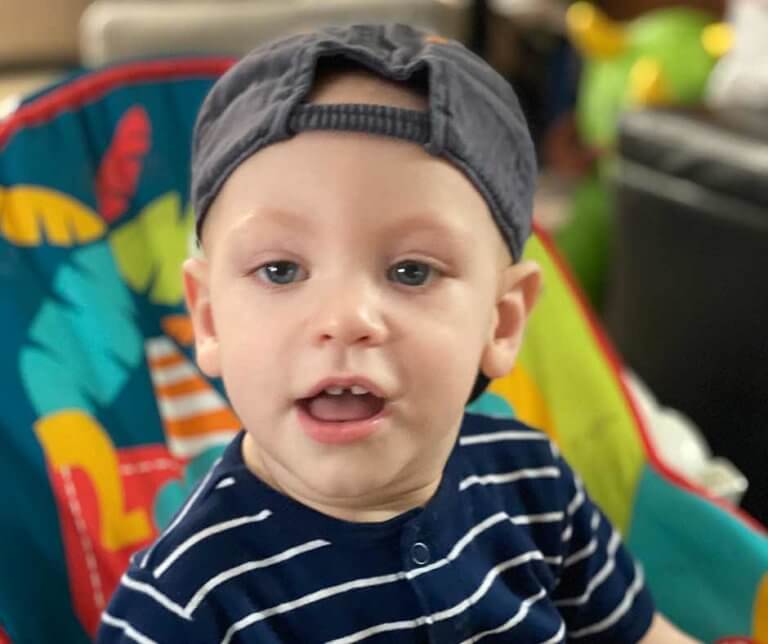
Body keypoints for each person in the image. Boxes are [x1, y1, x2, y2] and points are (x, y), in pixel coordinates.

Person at [98, 23, 697, 643]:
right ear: (210, 319)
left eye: (411, 271)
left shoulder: (534, 482)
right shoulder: (183, 604)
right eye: (281, 270)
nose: (344, 318)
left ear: (503, 320)